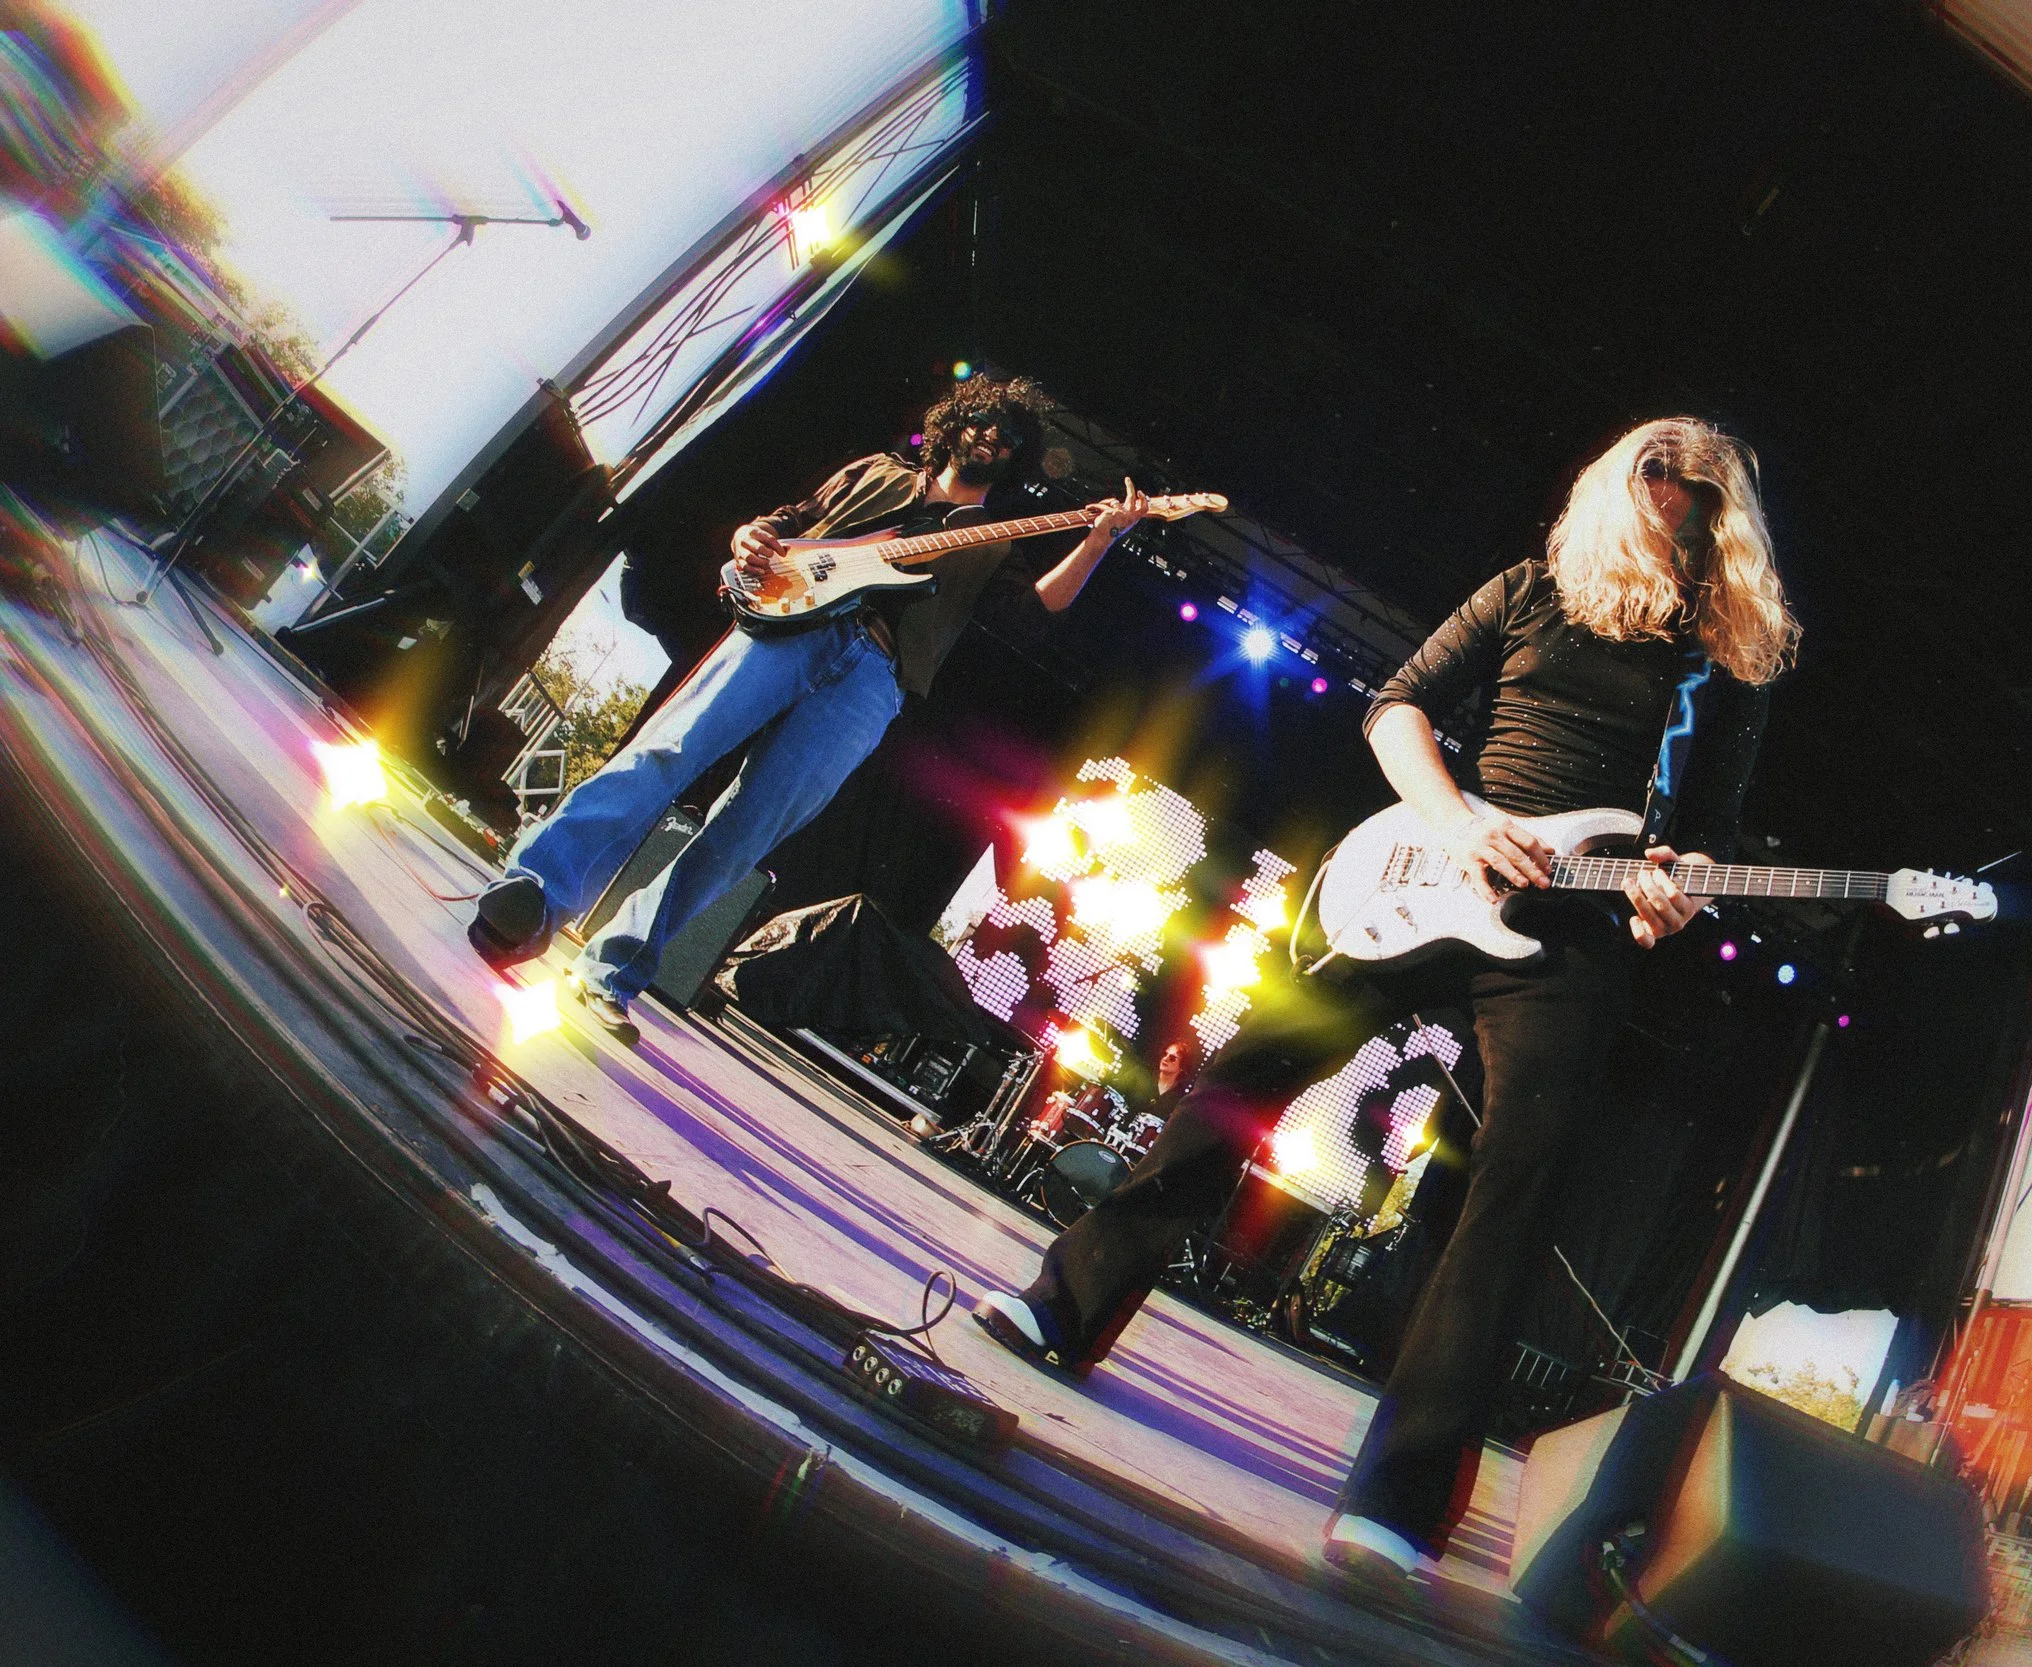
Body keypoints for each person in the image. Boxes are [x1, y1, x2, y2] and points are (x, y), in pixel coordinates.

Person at [972, 416, 1798, 1583]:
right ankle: (1064, 1304)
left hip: (1570, 939)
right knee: (1251, 1072)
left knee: (1517, 1183)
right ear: (1617, 481)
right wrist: (1463, 821)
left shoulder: (1720, 671)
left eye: (1703, 488)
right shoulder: (1530, 589)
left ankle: (1403, 1496)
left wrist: (1678, 898)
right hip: (1430, 877)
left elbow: (1699, 848)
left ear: (1727, 518)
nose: (1675, 495)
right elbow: (1398, 707)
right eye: (1657, 472)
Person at [468, 374, 1150, 1038]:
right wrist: (750, 536)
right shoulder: (879, 472)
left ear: (1017, 459)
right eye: (983, 422)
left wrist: (1096, 542)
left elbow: (1031, 614)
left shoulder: (991, 541)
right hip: (788, 628)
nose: (992, 438)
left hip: (872, 679)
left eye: (1009, 439)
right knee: (667, 754)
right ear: (954, 425)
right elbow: (789, 520)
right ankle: (535, 895)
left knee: (747, 831)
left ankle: (612, 970)